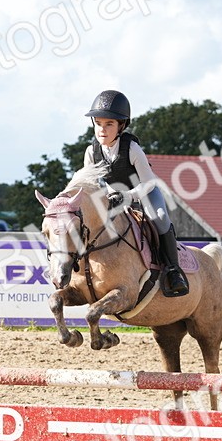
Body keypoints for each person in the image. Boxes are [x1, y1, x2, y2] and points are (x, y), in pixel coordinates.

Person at [81, 90, 189, 297]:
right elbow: (92, 184)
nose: (102, 130)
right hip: (114, 197)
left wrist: (129, 196)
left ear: (121, 125)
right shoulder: (90, 152)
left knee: (160, 218)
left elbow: (148, 182)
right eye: (99, 124)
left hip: (145, 192)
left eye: (109, 124)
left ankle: (173, 271)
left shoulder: (132, 148)